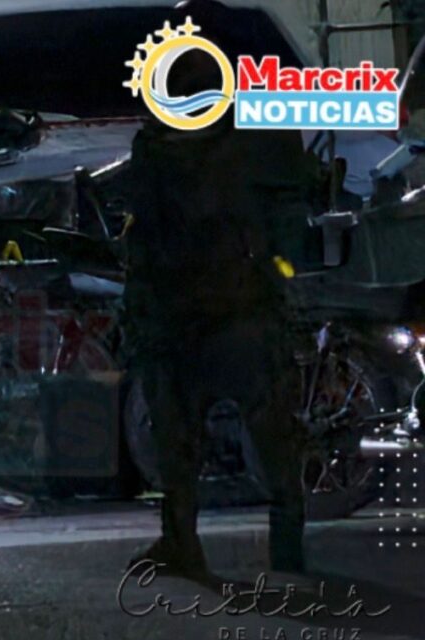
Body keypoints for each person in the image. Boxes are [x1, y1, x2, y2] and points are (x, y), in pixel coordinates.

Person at [125, 103, 317, 579]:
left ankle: (195, 543)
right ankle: (263, 546)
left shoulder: (176, 146)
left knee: (201, 437)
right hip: (213, 309)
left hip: (213, 310)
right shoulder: (191, 144)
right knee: (252, 432)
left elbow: (146, 232)